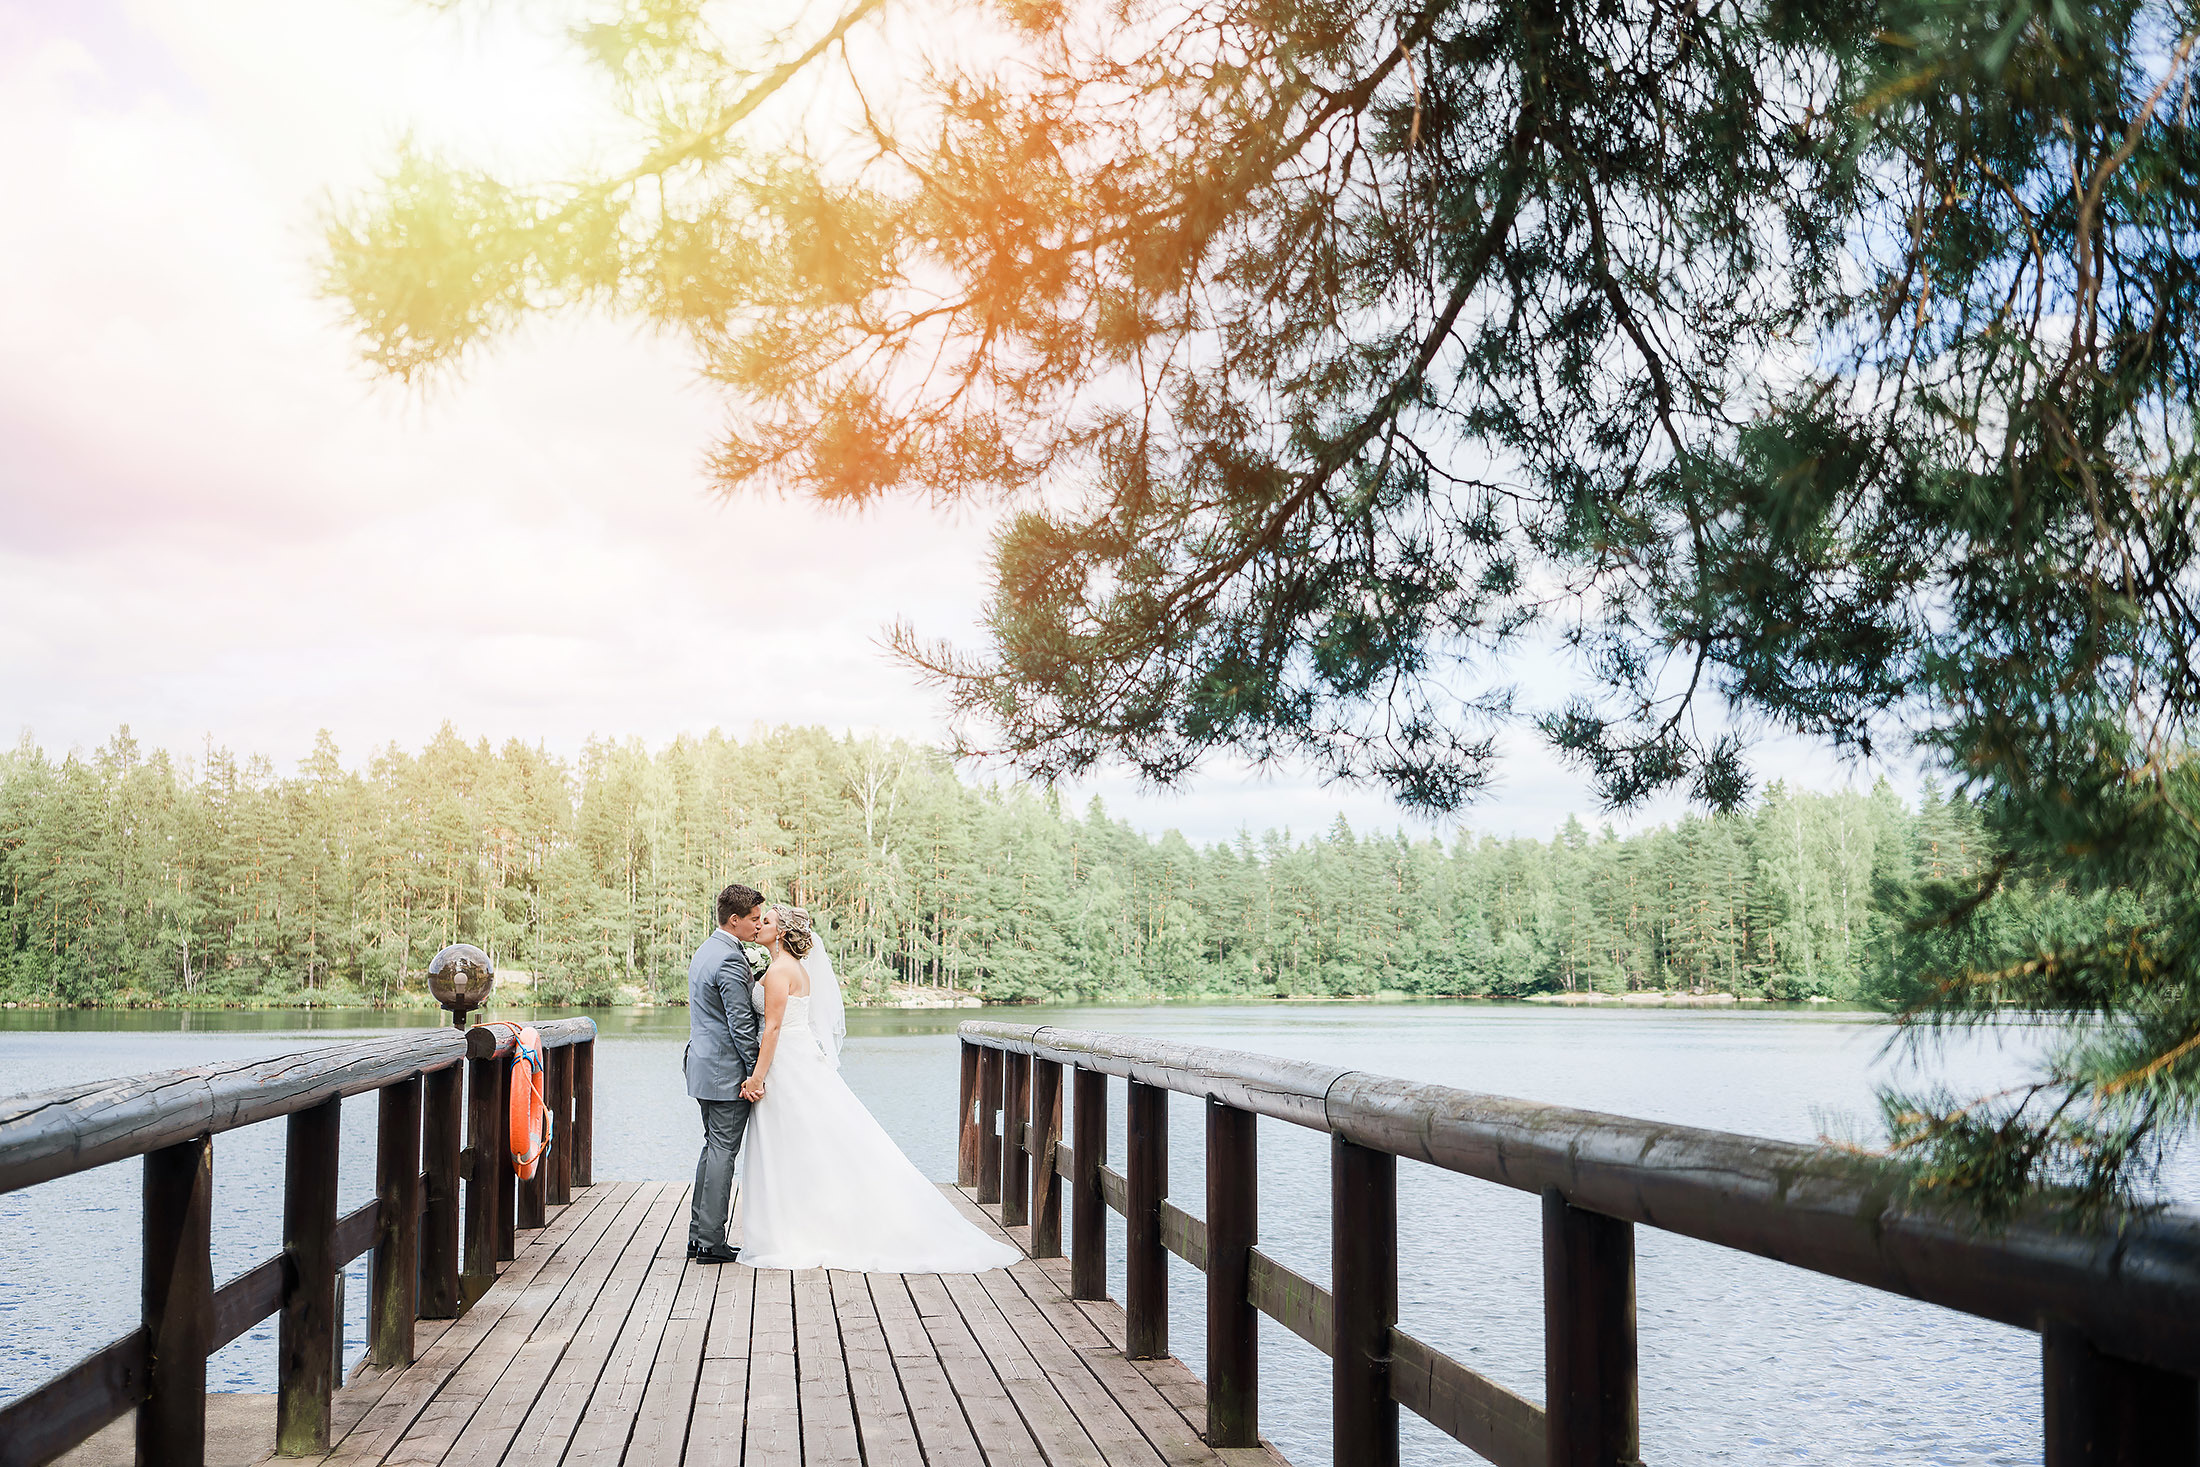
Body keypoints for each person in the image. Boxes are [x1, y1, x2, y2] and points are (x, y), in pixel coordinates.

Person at [737, 903, 1018, 1272]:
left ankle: (796, 1230)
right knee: (804, 1143)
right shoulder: (798, 969)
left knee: (792, 1142)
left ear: (784, 931)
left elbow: (772, 1029)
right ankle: (806, 1223)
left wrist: (757, 1077)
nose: (759, 925)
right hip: (798, 1057)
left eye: (767, 921)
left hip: (786, 1062)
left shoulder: (778, 971)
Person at [684, 881, 763, 1263]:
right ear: (734, 921)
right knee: (722, 1152)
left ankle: (699, 1236)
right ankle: (711, 1243)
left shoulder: (706, 949)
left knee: (711, 1147)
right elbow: (741, 1023)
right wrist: (755, 1074)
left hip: (701, 1064)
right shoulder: (731, 958)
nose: (758, 926)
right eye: (753, 919)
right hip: (725, 1070)